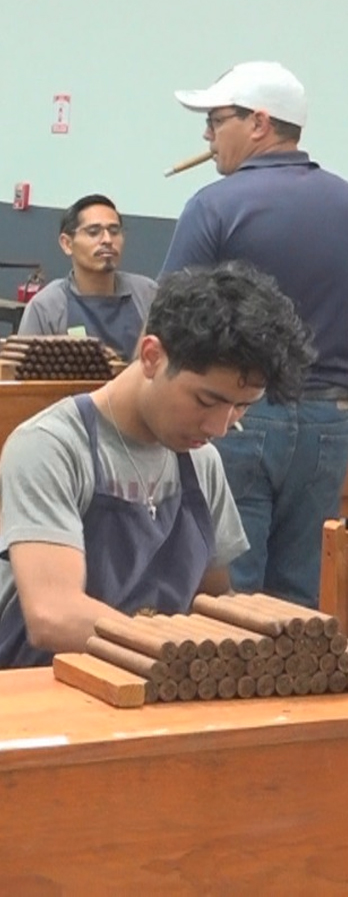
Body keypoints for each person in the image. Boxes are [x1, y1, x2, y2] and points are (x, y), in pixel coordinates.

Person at [0, 263, 313, 667]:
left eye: (241, 407)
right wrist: (185, 653)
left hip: (159, 687)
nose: (219, 426)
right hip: (41, 695)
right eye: (206, 401)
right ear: (152, 356)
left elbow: (211, 602)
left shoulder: (201, 462)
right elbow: (53, 616)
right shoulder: (51, 447)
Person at [160, 61, 348, 607]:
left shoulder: (213, 205)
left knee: (231, 593)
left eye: (217, 120)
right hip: (331, 424)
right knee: (301, 599)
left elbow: (170, 324)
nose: (207, 135)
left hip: (239, 417)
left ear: (260, 122)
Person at [17, 193, 157, 357]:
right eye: (93, 232)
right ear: (67, 243)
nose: (107, 240)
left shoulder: (148, 294)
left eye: (114, 231)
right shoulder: (47, 307)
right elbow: (25, 377)